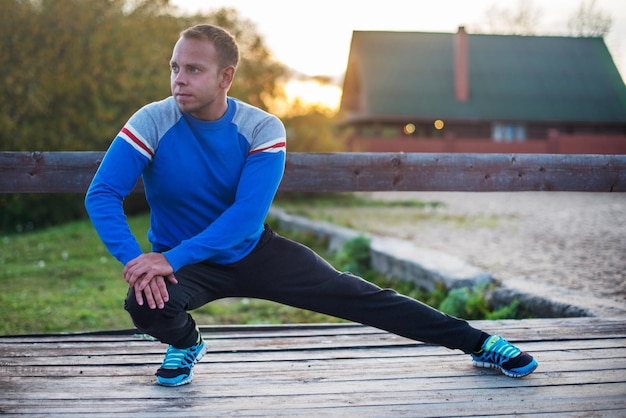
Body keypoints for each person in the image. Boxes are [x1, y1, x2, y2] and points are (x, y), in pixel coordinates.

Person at [85, 23, 538, 387]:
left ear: (226, 77)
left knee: (364, 298)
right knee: (145, 305)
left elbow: (245, 217)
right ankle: (185, 343)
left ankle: (480, 343)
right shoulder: (153, 120)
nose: (179, 79)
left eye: (194, 70)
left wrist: (167, 259)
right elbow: (102, 193)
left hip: (252, 251)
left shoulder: (261, 128)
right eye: (175, 67)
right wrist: (139, 261)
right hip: (182, 262)